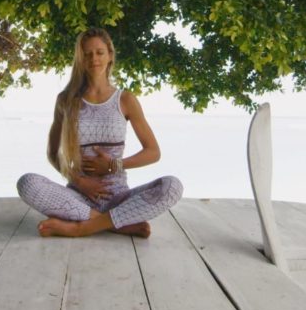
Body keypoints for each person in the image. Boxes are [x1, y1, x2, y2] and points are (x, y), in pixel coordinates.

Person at [16, 27, 183, 237]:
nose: (94, 58)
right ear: (80, 59)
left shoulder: (125, 100)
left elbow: (153, 152)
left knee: (172, 186)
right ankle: (115, 222)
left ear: (110, 56)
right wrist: (79, 181)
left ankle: (81, 227)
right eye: (87, 54)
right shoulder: (66, 100)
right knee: (27, 182)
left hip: (119, 197)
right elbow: (53, 152)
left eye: (99, 52)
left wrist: (115, 164)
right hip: (78, 197)